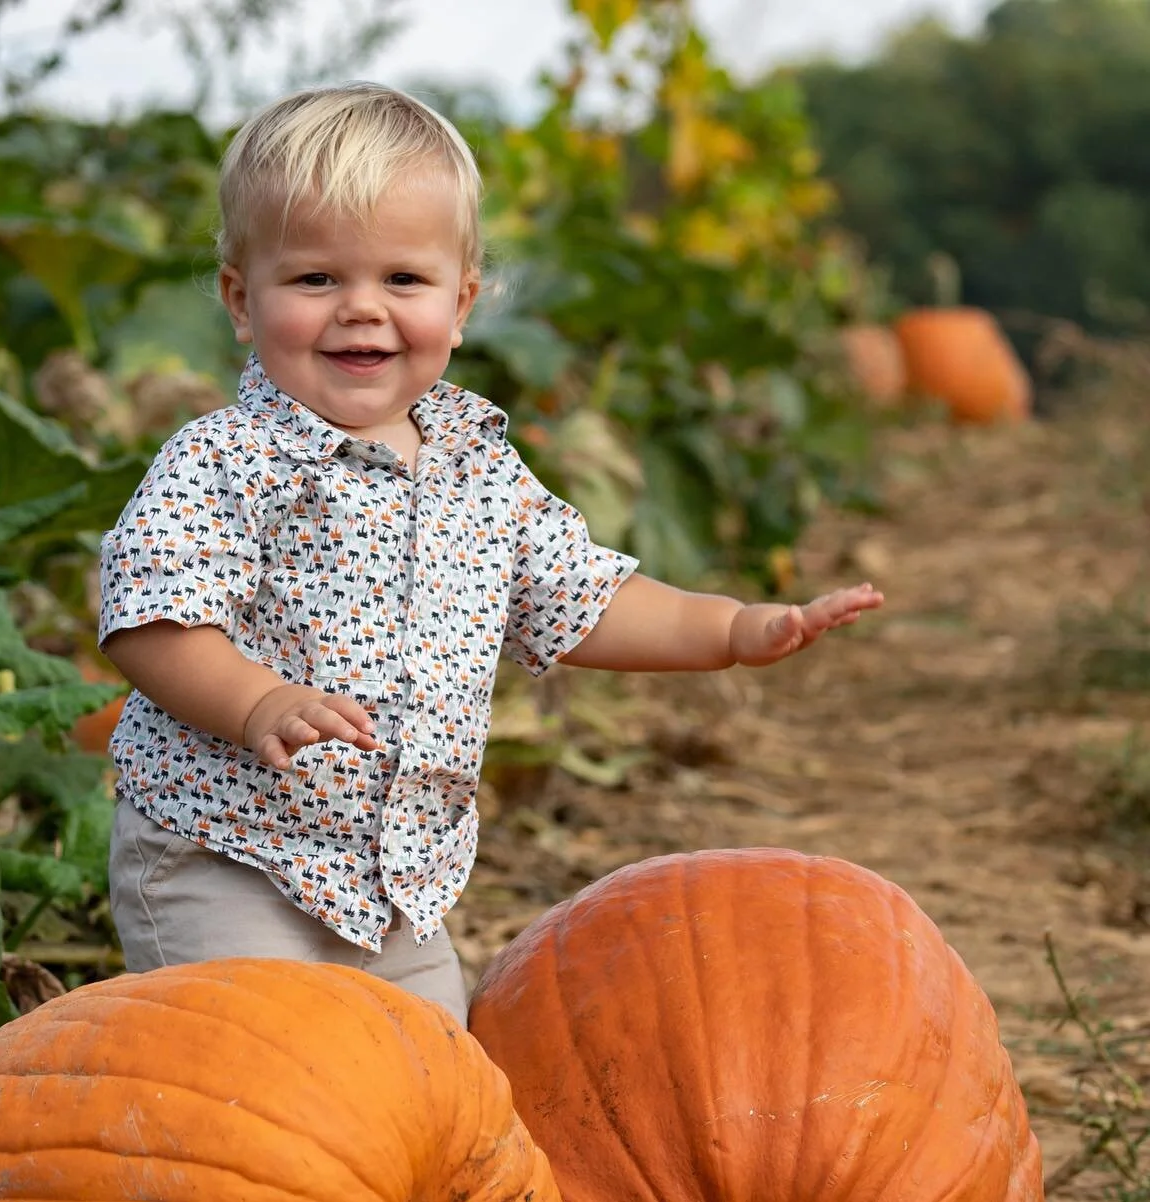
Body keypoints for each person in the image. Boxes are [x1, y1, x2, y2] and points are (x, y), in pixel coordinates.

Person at [98, 83, 883, 1024]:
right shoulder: (225, 460)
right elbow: (151, 620)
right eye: (314, 280)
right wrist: (256, 699)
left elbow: (584, 598)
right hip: (226, 856)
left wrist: (735, 627)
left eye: (403, 281)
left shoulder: (480, 469)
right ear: (240, 298)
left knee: (441, 1083)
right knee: (259, 1069)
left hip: (398, 885)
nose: (361, 311)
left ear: (462, 303)